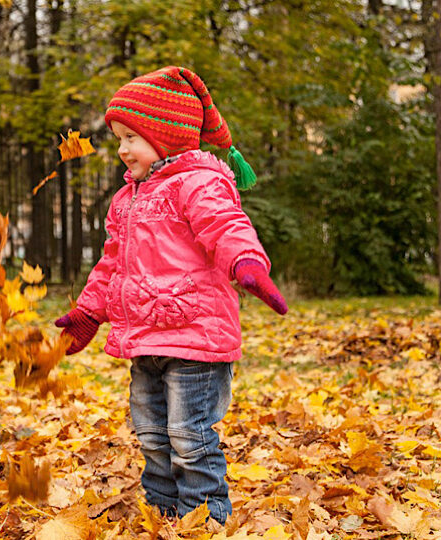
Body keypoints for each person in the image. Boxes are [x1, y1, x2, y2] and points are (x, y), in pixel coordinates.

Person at [54, 66, 287, 525]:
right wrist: (88, 312)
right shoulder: (128, 199)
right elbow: (112, 263)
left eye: (130, 137)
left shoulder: (199, 183)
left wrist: (248, 265)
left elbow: (226, 228)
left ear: (166, 135)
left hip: (195, 342)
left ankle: (204, 522)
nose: (121, 149)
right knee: (152, 436)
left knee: (189, 437)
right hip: (146, 340)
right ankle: (160, 517)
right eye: (119, 137)